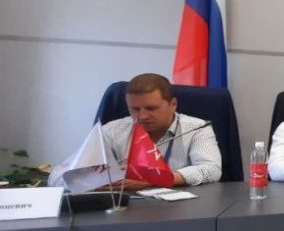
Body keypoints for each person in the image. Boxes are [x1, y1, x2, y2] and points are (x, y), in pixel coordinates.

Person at [48, 73, 222, 189]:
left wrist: (152, 180)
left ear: (173, 104)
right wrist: (93, 182)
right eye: (135, 109)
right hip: (124, 211)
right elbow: (57, 176)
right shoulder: (112, 130)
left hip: (181, 211)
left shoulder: (196, 128)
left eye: (151, 108)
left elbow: (211, 169)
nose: (143, 116)